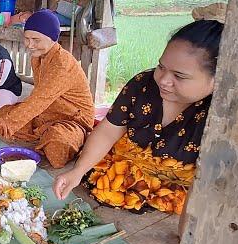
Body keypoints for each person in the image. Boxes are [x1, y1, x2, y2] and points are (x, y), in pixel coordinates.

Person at [53, 19, 224, 219]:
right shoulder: (142, 85)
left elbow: (213, 182)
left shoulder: (221, 117)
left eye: (180, 76)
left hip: (177, 191)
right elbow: (108, 131)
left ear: (217, 78)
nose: (164, 80)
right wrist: (78, 171)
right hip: (123, 174)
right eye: (161, 67)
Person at [0, 9, 94, 168]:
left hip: (73, 120)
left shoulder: (62, 65)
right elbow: (38, 99)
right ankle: (43, 136)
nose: (30, 45)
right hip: (48, 113)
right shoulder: (38, 57)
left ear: (53, 38)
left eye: (36, 40)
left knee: (58, 142)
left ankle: (64, 139)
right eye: (27, 39)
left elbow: (38, 101)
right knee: (3, 113)